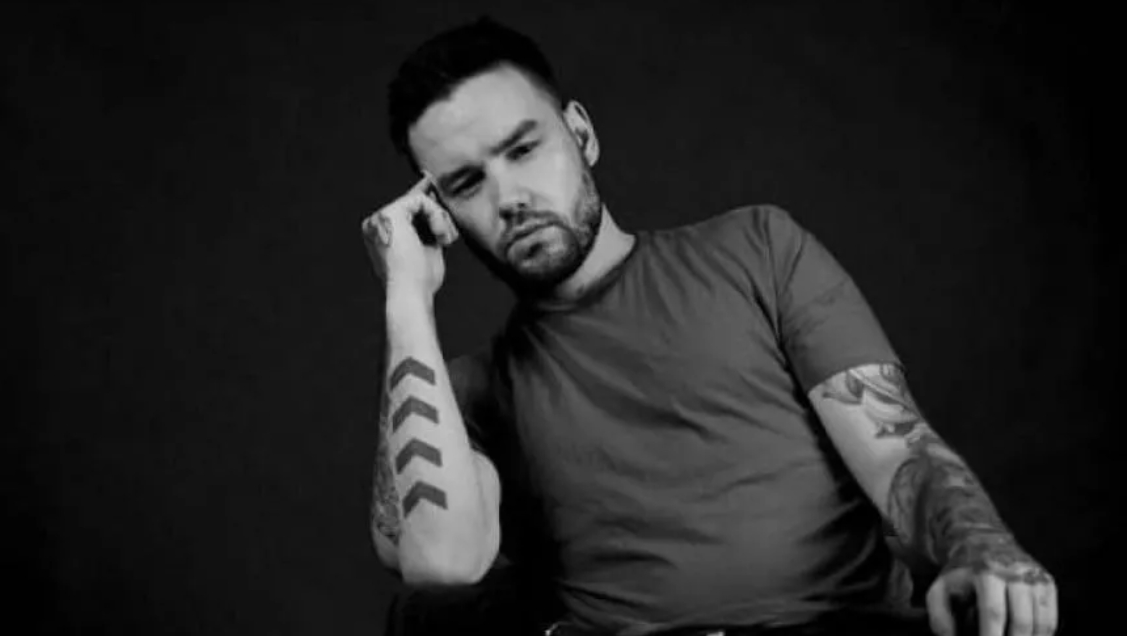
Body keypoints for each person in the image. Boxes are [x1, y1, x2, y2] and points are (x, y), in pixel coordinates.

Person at [361, 16, 1058, 636]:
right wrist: (407, 295)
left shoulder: (757, 251)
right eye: (467, 184)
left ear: (581, 135)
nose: (509, 198)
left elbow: (895, 453)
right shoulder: (468, 395)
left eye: (523, 149)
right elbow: (442, 565)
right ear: (440, 215)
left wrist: (979, 546)